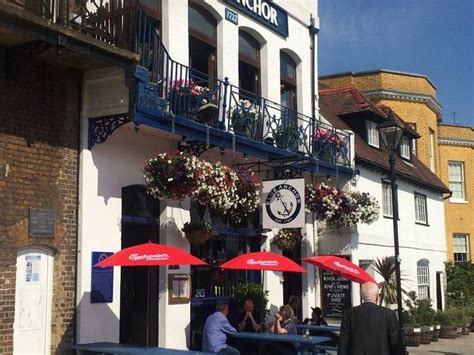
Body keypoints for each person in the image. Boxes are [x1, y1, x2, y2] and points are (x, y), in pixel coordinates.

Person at [338, 282, 405, 355]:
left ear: (361, 296)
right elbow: (397, 345)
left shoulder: (348, 314)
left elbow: (343, 345)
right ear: (377, 297)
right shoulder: (389, 314)